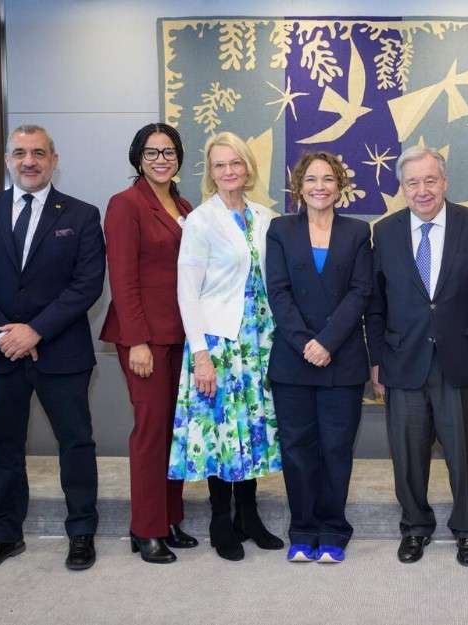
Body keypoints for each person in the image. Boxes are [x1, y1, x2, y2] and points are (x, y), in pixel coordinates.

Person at [0, 124, 105, 575]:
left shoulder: (80, 215)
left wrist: (35, 331)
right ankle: (2, 534)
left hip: (62, 353)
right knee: (2, 446)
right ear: (7, 159)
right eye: (19, 153)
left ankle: (81, 533)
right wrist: (3, 334)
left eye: (38, 153)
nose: (29, 161)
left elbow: (86, 285)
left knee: (76, 444)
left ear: (55, 159)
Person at [365, 145, 468, 567]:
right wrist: (376, 360)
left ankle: (467, 530)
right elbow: (376, 302)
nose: (422, 190)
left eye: (430, 180)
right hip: (401, 359)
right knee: (407, 456)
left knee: (464, 454)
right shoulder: (384, 231)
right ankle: (415, 527)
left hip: (460, 358)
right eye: (412, 182)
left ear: (444, 181)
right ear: (402, 188)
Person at [169, 130, 283, 561]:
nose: (229, 171)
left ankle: (248, 516)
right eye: (220, 165)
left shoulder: (265, 216)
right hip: (218, 343)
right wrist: (200, 354)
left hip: (259, 340)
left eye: (235, 162)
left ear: (247, 167)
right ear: (210, 172)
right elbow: (187, 291)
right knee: (222, 434)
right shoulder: (201, 220)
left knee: (251, 432)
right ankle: (222, 520)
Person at [265, 151, 372, 564]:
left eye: (328, 179)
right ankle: (302, 530)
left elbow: (360, 292)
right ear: (298, 185)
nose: (320, 186)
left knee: (336, 448)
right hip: (293, 361)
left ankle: (333, 531)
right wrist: (304, 342)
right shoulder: (281, 230)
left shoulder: (358, 232)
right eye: (311, 179)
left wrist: (326, 341)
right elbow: (278, 292)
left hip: (341, 360)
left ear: (340, 185)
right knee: (297, 449)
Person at [100, 123, 197, 564]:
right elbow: (122, 279)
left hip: (181, 335)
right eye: (153, 152)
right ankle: (145, 528)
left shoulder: (183, 205)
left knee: (177, 433)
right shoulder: (125, 205)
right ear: (138, 157)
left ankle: (170, 518)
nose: (162, 159)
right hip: (145, 341)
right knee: (151, 432)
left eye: (170, 151)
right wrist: (137, 340)